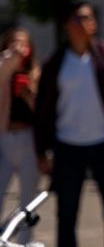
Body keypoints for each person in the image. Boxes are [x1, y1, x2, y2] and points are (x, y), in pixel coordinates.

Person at [34, 2, 104, 247]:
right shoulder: (55, 64)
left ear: (94, 24)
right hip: (68, 146)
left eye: (88, 18)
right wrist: (42, 150)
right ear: (68, 25)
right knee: (67, 211)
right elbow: (43, 110)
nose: (83, 23)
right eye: (77, 18)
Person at [0, 28, 41, 245]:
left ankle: (24, 242)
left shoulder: (35, 72)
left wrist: (28, 93)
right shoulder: (3, 68)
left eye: (23, 44)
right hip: (5, 139)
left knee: (28, 198)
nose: (19, 47)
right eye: (14, 42)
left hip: (28, 140)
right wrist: (12, 57)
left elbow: (42, 111)